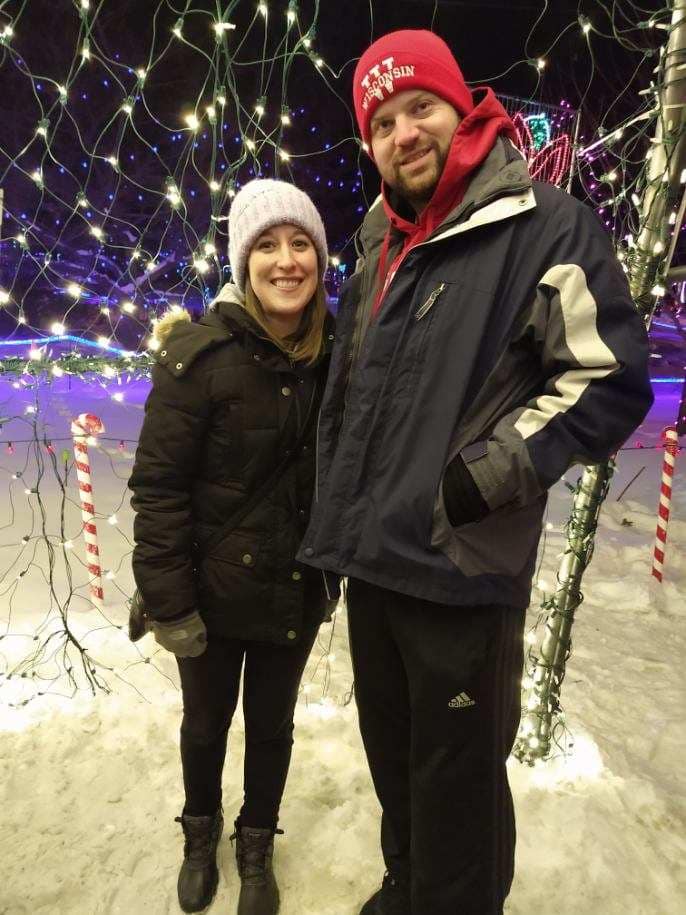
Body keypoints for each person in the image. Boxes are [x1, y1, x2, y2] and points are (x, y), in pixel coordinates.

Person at [297, 29, 654, 915]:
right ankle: (407, 887)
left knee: (460, 793)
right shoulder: (378, 244)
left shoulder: (544, 225)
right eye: (382, 123)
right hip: (375, 567)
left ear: (461, 108)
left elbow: (609, 375)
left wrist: (481, 480)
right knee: (396, 765)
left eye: (419, 107)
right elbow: (352, 397)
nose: (403, 134)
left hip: (460, 571)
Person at [128, 179, 334, 915]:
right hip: (209, 595)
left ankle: (256, 840)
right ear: (245, 262)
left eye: (301, 243)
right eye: (267, 245)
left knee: (271, 728)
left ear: (319, 260)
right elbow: (159, 490)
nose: (286, 261)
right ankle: (199, 830)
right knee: (205, 724)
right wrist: (168, 601)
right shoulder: (197, 356)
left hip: (292, 589)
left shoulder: (339, 356)